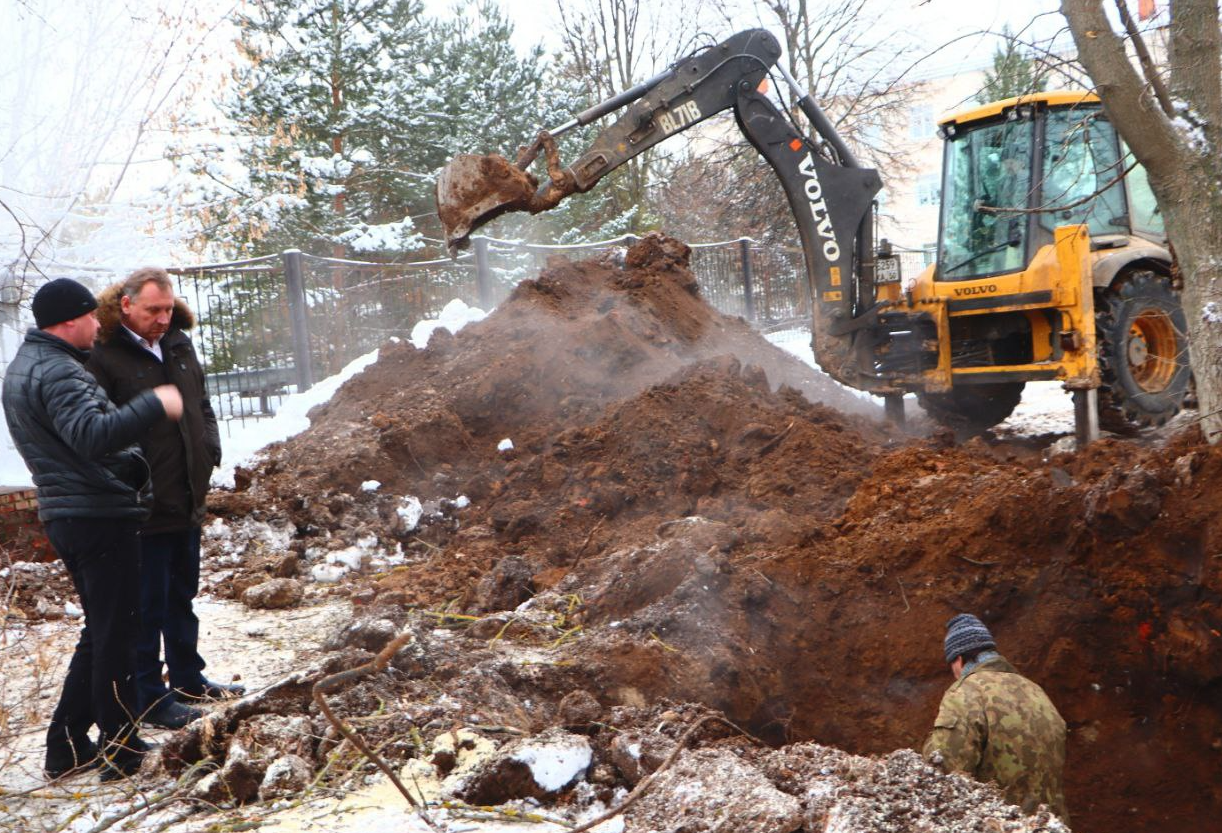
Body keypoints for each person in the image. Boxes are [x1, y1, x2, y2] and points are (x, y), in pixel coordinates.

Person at [2, 278, 183, 780]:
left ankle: (65, 745)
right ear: (69, 320)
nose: (98, 326)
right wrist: (152, 404)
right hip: (97, 517)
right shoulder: (58, 370)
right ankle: (120, 747)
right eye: (90, 317)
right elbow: (90, 434)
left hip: (73, 512)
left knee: (102, 631)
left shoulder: (28, 367)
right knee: (120, 632)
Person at [86, 268, 243, 731]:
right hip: (142, 501)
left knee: (182, 595)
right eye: (153, 309)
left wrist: (209, 447)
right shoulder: (104, 354)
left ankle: (189, 679)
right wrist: (130, 478)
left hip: (187, 493)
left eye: (168, 308)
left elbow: (201, 404)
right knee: (146, 604)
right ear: (126, 305)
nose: (162, 317)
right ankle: (150, 697)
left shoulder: (177, 342)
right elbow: (99, 428)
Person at [923, 613, 1069, 822]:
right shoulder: (1037, 693)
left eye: (952, 665)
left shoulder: (968, 691)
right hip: (1049, 825)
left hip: (1001, 823)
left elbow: (945, 767)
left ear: (959, 659)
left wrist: (930, 745)